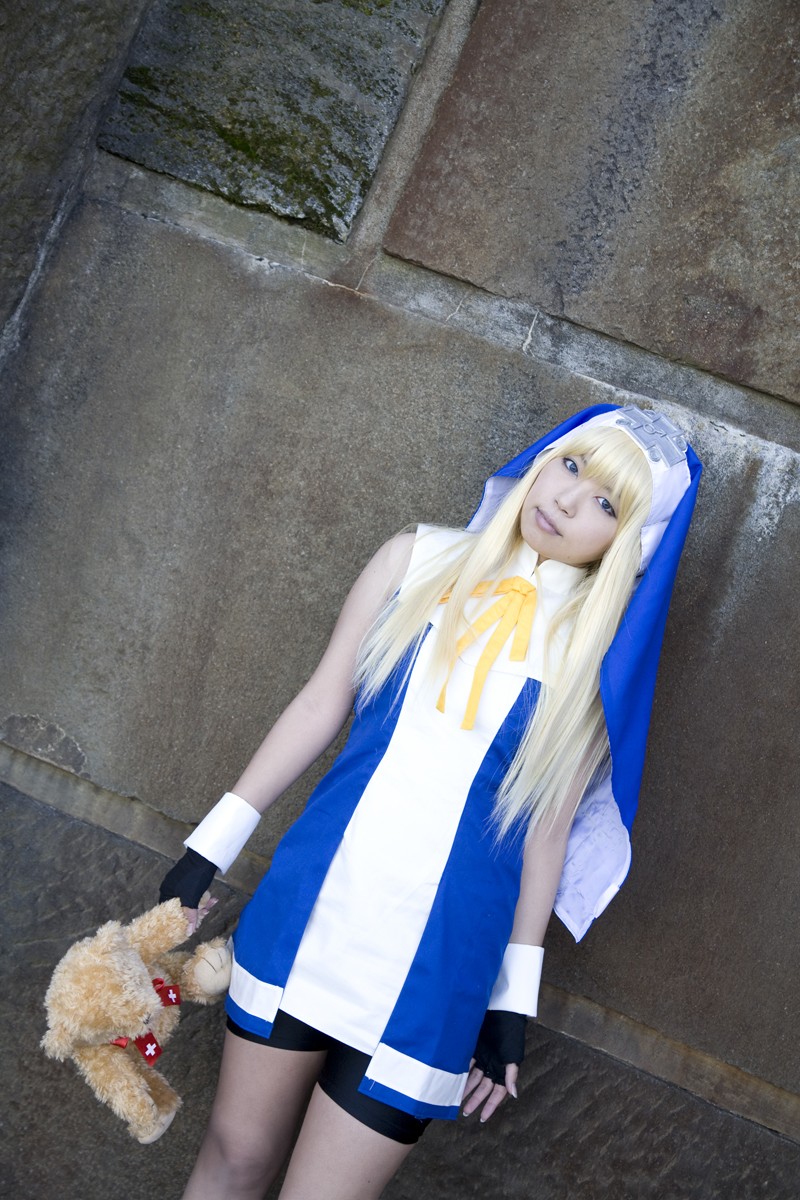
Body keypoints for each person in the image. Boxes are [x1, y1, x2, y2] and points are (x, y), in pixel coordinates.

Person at [160, 403, 701, 1200]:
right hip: (313, 907)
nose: (567, 498)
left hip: (442, 964)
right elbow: (318, 704)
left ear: (630, 544)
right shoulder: (414, 558)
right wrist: (208, 848)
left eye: (605, 503)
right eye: (571, 465)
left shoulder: (599, 663)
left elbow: (545, 837)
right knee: (235, 1158)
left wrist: (511, 1002)